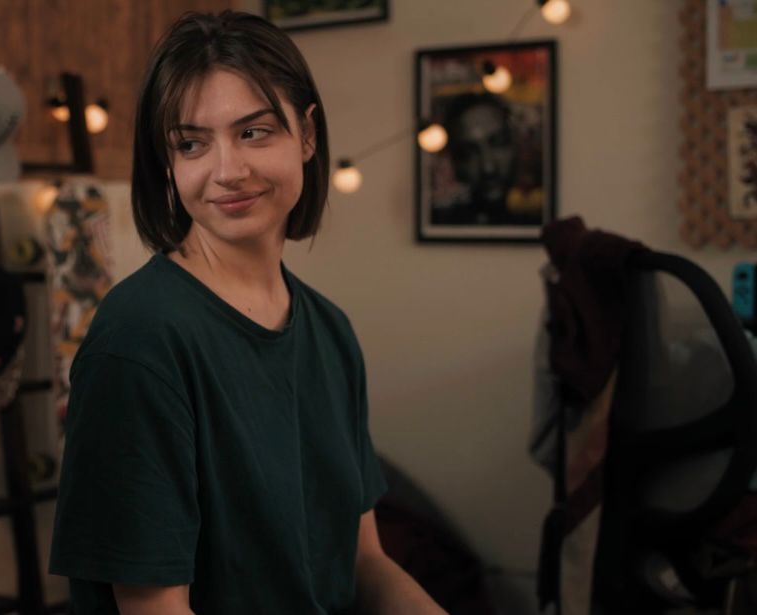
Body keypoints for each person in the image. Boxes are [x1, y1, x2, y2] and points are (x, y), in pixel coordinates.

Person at [48, 11, 447, 614]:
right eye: (191, 144)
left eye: (254, 132)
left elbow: (364, 561)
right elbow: (155, 609)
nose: (228, 171)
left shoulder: (331, 332)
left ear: (306, 135)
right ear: (167, 163)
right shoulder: (138, 341)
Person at [432, 92, 537, 226]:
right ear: (455, 162)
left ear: (516, 143)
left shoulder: (538, 217)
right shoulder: (442, 221)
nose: (488, 167)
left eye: (498, 143)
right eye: (470, 152)